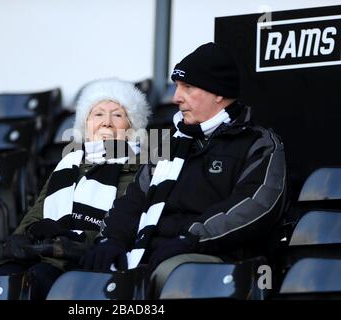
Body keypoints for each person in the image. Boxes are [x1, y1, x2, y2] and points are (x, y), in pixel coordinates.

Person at [81, 42, 287, 297]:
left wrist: (190, 239)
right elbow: (134, 200)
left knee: (169, 275)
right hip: (151, 252)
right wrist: (112, 239)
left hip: (218, 258)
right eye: (177, 87)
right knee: (89, 278)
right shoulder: (169, 142)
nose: (176, 97)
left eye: (187, 87)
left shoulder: (259, 142)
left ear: (218, 93)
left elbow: (256, 206)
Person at [0, 78, 151, 299]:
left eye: (117, 115)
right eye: (98, 114)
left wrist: (65, 238)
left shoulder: (138, 167)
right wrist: (26, 235)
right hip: (44, 254)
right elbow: (36, 213)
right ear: (86, 125)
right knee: (3, 279)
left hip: (87, 261)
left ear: (131, 128)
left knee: (36, 280)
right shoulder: (68, 163)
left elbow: (121, 223)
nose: (106, 122)